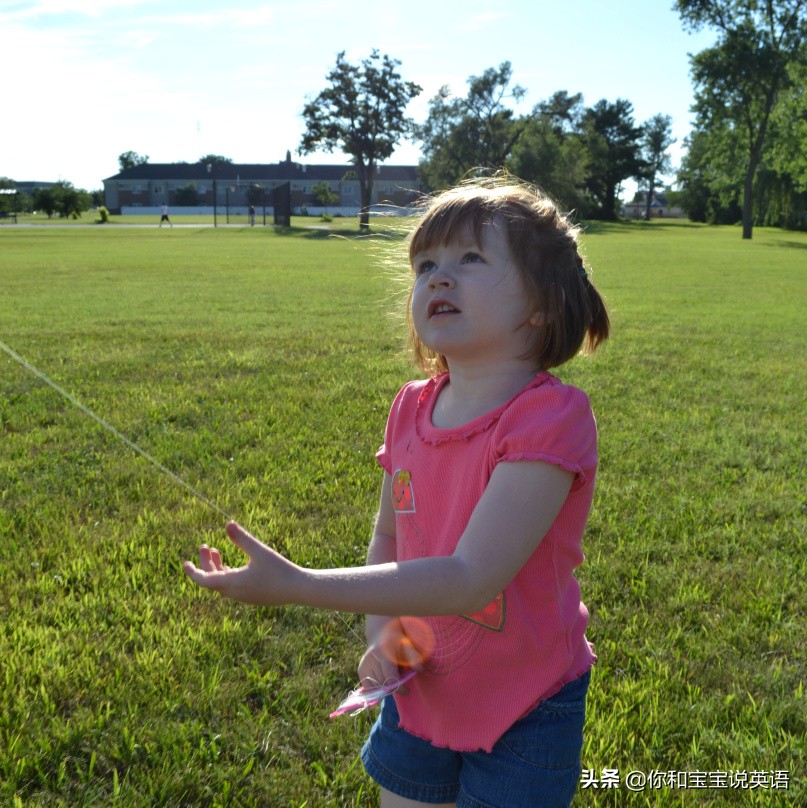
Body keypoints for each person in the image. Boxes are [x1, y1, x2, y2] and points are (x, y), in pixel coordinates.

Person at [184, 174, 610, 807]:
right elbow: (391, 536)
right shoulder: (411, 407)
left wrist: (299, 585)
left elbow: (471, 577)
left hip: (528, 700)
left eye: (470, 258)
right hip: (422, 680)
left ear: (540, 304)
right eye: (425, 265)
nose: (438, 277)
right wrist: (386, 639)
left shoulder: (549, 419)